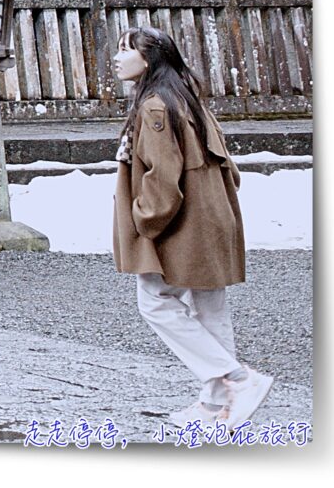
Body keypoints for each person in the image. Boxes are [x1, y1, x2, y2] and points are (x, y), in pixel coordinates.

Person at [114, 25, 269, 430]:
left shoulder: (154, 106)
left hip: (185, 220)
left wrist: (143, 218)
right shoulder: (184, 95)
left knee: (154, 300)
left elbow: (163, 178)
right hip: (212, 212)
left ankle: (236, 378)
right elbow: (226, 166)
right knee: (209, 306)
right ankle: (219, 402)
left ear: (149, 59)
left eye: (125, 50)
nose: (117, 57)